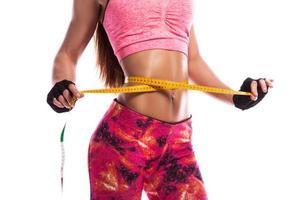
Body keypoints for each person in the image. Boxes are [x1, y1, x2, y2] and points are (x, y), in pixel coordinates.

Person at [46, 0, 273, 199]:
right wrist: (62, 86)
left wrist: (235, 97)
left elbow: (193, 61)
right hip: (124, 141)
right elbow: (67, 54)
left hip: (178, 141)